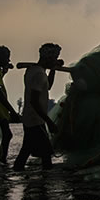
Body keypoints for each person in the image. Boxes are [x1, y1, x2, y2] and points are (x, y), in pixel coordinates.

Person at [13, 43, 63, 171]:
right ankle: (44, 185)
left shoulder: (32, 71)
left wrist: (53, 70)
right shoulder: (39, 75)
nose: (55, 60)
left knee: (25, 151)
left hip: (32, 119)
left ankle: (20, 176)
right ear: (47, 58)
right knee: (46, 154)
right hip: (35, 120)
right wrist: (49, 122)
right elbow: (34, 101)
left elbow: (48, 86)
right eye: (54, 58)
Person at [0, 46, 20, 163]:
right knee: (7, 134)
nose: (8, 60)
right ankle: (1, 160)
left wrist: (4, 73)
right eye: (6, 58)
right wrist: (11, 110)